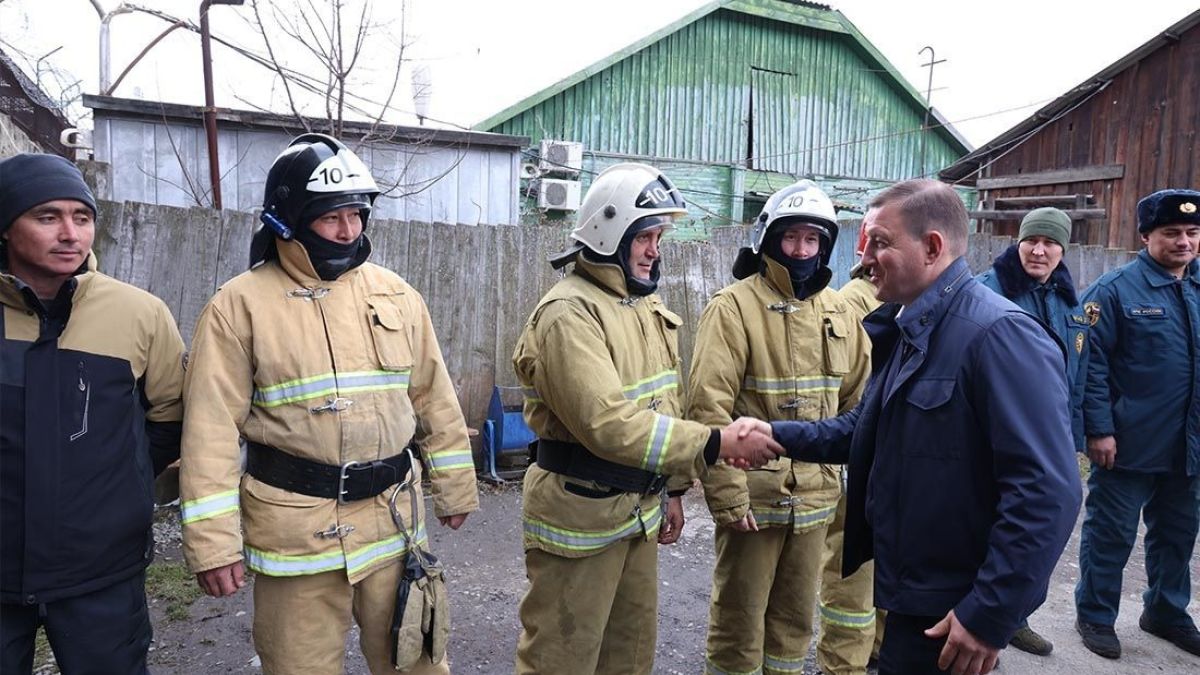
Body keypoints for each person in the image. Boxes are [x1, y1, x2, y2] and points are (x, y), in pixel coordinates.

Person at [179, 133, 479, 675]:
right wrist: (213, 543)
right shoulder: (237, 307)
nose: (349, 230)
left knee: (418, 663)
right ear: (288, 218)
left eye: (357, 214)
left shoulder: (397, 295)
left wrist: (456, 486)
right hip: (297, 535)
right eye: (331, 216)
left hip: (395, 524)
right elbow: (209, 432)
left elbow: (433, 395)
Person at [768, 179, 1081, 675]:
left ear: (932, 247)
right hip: (912, 594)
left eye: (880, 242)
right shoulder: (911, 327)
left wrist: (988, 614)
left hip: (953, 613)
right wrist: (774, 436)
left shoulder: (997, 335)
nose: (864, 257)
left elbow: (1048, 492)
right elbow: (866, 431)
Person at [511, 162, 782, 675]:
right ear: (610, 233)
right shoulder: (569, 314)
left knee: (630, 657)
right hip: (581, 516)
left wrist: (675, 489)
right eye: (645, 236)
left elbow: (665, 403)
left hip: (637, 510)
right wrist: (714, 443)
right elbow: (607, 423)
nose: (655, 249)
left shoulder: (641, 306)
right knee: (561, 659)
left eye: (658, 236)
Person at [0, 153, 186, 673]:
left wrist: (115, 490)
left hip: (101, 571)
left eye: (82, 218)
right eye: (46, 217)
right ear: (6, 227)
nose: (70, 233)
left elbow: (169, 416)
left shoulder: (139, 314)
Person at [687, 181, 870, 675]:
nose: (801, 251)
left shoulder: (841, 312)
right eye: (792, 238)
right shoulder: (733, 307)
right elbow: (708, 406)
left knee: (793, 625)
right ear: (768, 239)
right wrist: (726, 495)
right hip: (755, 499)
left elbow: (860, 405)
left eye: (813, 240)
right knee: (738, 624)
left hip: (815, 499)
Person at [1074, 188, 1200, 660]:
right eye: (1172, 233)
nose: (1184, 242)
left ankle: (1165, 612)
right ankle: (1095, 614)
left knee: (1178, 534)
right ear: (1146, 235)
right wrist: (1099, 430)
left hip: (1188, 445)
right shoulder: (1114, 291)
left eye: (1192, 232)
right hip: (1129, 443)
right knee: (1111, 533)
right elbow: (1091, 367)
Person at [976, 206, 1089, 656]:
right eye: (1031, 241)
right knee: (990, 529)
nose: (1039, 250)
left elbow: (1082, 371)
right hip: (1000, 434)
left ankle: (1012, 617)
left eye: (1049, 243)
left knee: (1035, 532)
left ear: (1063, 249)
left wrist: (1077, 434)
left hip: (1052, 435)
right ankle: (979, 625)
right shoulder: (990, 290)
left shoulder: (1068, 299)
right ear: (1018, 242)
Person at [817, 209, 886, 675]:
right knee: (855, 569)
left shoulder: (888, 298)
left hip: (874, 457)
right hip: (863, 458)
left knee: (867, 564)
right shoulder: (851, 303)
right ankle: (848, 662)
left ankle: (865, 653)